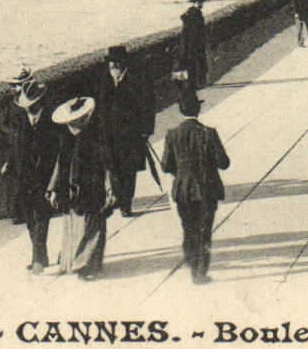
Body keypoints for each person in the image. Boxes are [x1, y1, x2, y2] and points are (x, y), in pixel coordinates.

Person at [161, 90, 230, 284]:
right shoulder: (209, 133)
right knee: (204, 231)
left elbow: (166, 165)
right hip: (207, 190)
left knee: (188, 227)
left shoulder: (172, 134)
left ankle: (191, 262)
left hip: (183, 190)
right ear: (198, 109)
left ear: (180, 111)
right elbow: (223, 162)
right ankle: (200, 272)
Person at [48, 96, 113, 279]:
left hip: (93, 189)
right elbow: (59, 166)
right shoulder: (66, 141)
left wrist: (110, 189)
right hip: (70, 192)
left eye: (76, 122)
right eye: (70, 123)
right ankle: (75, 262)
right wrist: (52, 189)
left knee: (93, 227)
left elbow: (107, 166)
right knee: (75, 228)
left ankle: (86, 264)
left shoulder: (96, 139)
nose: (73, 126)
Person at [99, 46, 155, 218]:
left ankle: (126, 203)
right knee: (112, 167)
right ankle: (118, 197)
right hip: (110, 135)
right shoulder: (105, 81)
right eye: (111, 62)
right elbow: (100, 108)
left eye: (117, 61)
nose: (113, 64)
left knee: (129, 171)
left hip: (131, 135)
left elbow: (149, 106)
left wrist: (146, 130)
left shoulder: (137, 79)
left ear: (124, 63)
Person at [10, 79, 57, 272]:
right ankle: (42, 255)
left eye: (32, 105)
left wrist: (54, 183)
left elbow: (57, 151)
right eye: (26, 106)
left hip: (44, 179)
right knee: (30, 220)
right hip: (24, 178)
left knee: (41, 217)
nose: (29, 108)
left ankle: (37, 258)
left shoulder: (51, 120)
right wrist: (10, 164)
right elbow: (17, 147)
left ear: (39, 102)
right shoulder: (23, 120)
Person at [0, 64, 38, 223]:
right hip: (15, 146)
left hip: (31, 145)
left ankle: (33, 210)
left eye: (20, 84)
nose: (17, 88)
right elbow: (2, 124)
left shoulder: (35, 98)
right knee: (17, 180)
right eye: (16, 85)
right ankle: (18, 213)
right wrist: (12, 132)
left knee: (32, 178)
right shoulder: (10, 103)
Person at [174, 0, 210, 94]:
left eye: (201, 2)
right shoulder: (194, 15)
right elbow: (191, 33)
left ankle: (191, 85)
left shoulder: (193, 14)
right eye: (198, 3)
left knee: (190, 66)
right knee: (192, 66)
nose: (200, 4)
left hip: (191, 45)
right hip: (193, 46)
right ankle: (192, 86)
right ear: (194, 3)